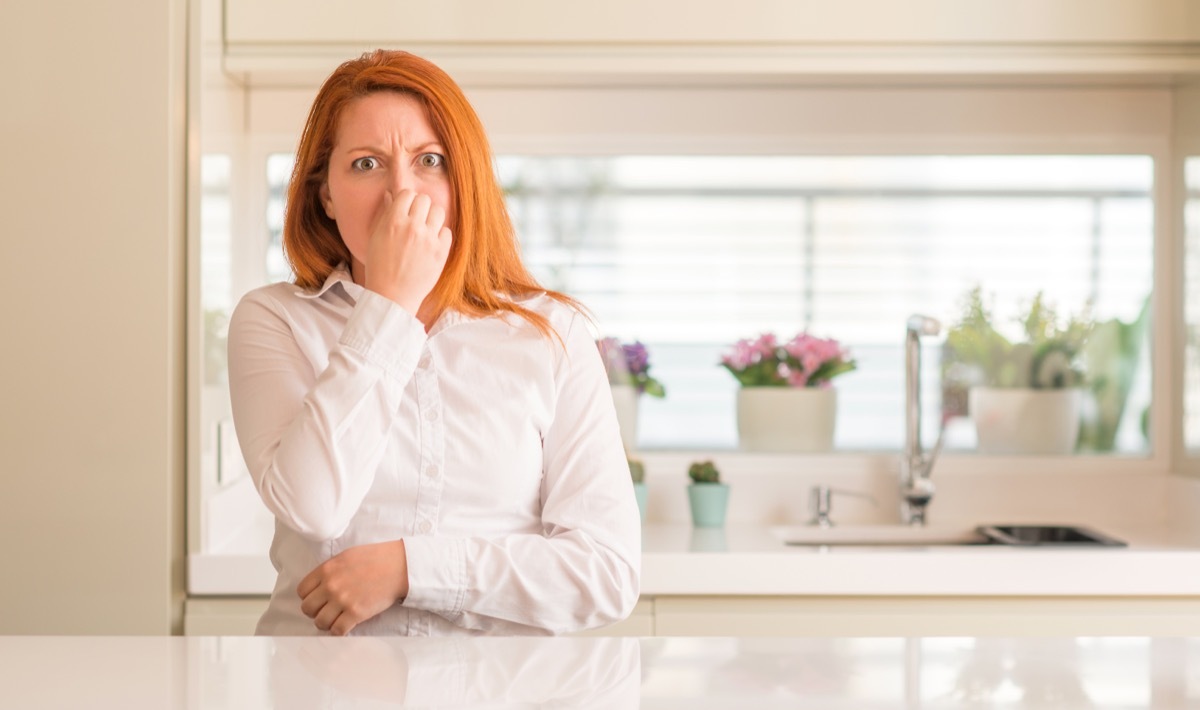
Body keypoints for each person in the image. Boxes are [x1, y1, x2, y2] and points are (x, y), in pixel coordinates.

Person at [227, 49, 641, 636]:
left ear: (463, 181)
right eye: (367, 164)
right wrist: (389, 306)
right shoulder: (274, 320)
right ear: (324, 195)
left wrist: (410, 568)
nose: (402, 193)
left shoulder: (552, 334)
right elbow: (313, 509)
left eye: (429, 160)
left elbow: (604, 573)